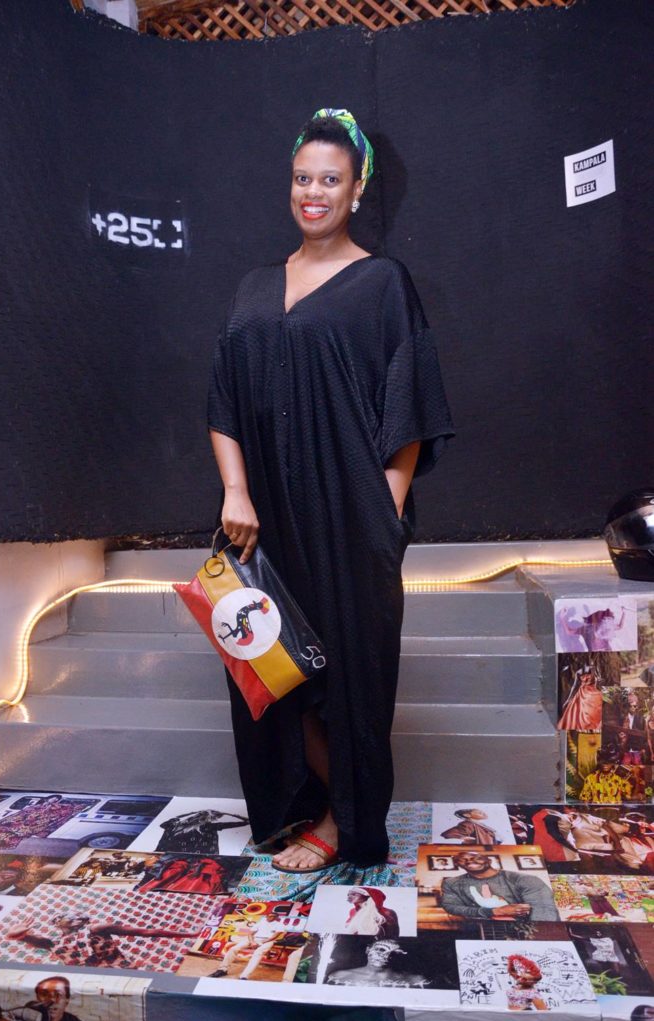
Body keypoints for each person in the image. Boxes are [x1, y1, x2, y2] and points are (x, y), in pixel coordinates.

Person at [207, 107, 454, 872]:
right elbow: (222, 399)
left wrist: (385, 511)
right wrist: (235, 491)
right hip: (262, 517)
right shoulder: (254, 285)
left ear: (356, 191)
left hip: (350, 514)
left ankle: (344, 823)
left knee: (349, 676)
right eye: (302, 178)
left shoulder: (382, 283)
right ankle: (311, 807)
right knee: (277, 669)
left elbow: (407, 404)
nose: (313, 192)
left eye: (330, 180)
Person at [6, 911, 201, 968]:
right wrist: (15, 934)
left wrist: (189, 934)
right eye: (69, 916)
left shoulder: (95, 929)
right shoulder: (53, 943)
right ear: (57, 923)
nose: (77, 918)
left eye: (79, 917)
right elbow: (24, 938)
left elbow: (146, 932)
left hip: (119, 973)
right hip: (88, 984)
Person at [440, 851, 559, 922]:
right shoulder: (451, 883)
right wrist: (494, 911)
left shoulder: (525, 879)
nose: (469, 861)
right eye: (462, 860)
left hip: (526, 928)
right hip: (479, 928)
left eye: (475, 857)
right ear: (458, 865)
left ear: (489, 861)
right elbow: (451, 907)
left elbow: (544, 912)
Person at [326, 938, 430, 987]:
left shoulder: (416, 980)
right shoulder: (339, 976)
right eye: (380, 950)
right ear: (368, 950)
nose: (386, 955)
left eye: (394, 953)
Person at [155, 808, 249, 854]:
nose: (198, 819)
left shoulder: (207, 827)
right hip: (168, 855)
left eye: (203, 818)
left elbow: (245, 822)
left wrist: (230, 814)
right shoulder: (176, 825)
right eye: (197, 816)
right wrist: (192, 813)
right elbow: (163, 825)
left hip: (200, 859)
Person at [557, 666, 602, 732]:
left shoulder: (590, 670)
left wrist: (569, 699)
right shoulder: (581, 671)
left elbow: (574, 686)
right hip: (585, 693)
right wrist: (568, 699)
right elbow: (574, 686)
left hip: (589, 693)